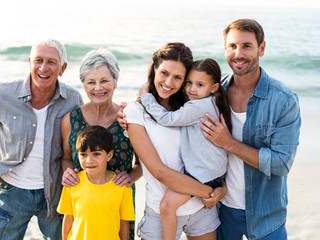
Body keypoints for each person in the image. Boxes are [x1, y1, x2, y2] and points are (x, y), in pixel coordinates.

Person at [0, 39, 83, 239]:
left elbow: (83, 139)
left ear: (62, 68)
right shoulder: (4, 93)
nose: (43, 67)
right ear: (29, 62)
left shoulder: (72, 100)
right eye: (38, 60)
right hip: (11, 191)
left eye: (51, 62)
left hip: (54, 193)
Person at [200, 19, 301, 240]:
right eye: (232, 46)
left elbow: (281, 164)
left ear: (261, 48)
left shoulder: (283, 100)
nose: (239, 53)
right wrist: (135, 109)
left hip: (267, 214)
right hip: (222, 210)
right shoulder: (214, 95)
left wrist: (228, 142)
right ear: (225, 49)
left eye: (247, 46)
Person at [123, 42, 225, 240]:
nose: (169, 82)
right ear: (154, 69)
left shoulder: (191, 106)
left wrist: (222, 189)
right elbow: (159, 171)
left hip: (202, 209)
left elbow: (216, 152)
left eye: (178, 77)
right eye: (164, 73)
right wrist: (209, 191)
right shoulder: (134, 112)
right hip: (163, 211)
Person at [60, 47, 142, 240]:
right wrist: (68, 172)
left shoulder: (129, 117)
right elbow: (65, 158)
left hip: (117, 202)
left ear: (115, 82)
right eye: (91, 82)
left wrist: (131, 177)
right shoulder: (70, 120)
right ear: (84, 85)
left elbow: (143, 163)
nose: (98, 88)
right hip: (83, 202)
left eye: (104, 81)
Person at [57, 125, 135, 240]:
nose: (89, 160)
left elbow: (124, 223)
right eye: (83, 155)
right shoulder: (73, 183)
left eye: (96, 154)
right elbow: (68, 218)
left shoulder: (122, 187)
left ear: (109, 155)